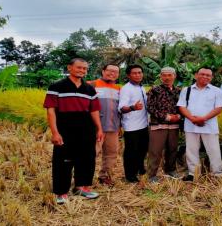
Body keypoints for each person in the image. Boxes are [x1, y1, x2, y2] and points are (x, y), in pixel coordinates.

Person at [43, 58, 104, 204]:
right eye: (79, 67)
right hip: (65, 129)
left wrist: (99, 129)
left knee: (86, 159)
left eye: (85, 68)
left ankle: (81, 187)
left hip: (86, 129)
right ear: (69, 68)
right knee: (63, 161)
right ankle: (61, 192)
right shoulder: (57, 86)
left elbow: (94, 110)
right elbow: (51, 112)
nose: (82, 70)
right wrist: (55, 133)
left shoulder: (89, 89)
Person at [177, 67, 222, 181]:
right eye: (202, 74)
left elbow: (219, 108)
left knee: (214, 150)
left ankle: (217, 174)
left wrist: (203, 119)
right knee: (191, 150)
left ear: (211, 77)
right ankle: (193, 174)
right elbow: (181, 106)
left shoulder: (216, 90)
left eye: (208, 75)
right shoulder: (187, 90)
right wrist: (192, 119)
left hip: (209, 126)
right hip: (191, 125)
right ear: (196, 75)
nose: (205, 77)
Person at [87, 64, 121, 186]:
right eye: (109, 71)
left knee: (111, 153)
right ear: (103, 71)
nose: (112, 73)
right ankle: (83, 179)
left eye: (115, 72)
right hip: (96, 127)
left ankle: (105, 176)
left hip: (113, 127)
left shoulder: (118, 89)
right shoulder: (91, 85)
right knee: (91, 153)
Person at [146, 67, 181, 183]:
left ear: (174, 76)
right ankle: (151, 175)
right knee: (155, 151)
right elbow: (150, 107)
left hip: (174, 126)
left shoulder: (178, 91)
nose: (167, 78)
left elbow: (183, 107)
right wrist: (167, 117)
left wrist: (179, 116)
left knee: (172, 149)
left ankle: (170, 170)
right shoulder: (154, 90)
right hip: (158, 125)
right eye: (164, 75)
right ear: (160, 77)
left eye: (169, 75)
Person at [118, 64, 149, 183]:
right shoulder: (126, 89)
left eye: (140, 72)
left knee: (142, 149)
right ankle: (130, 175)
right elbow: (121, 108)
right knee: (131, 152)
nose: (138, 75)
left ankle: (140, 168)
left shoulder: (141, 87)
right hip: (131, 127)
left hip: (143, 125)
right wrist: (133, 107)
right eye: (134, 73)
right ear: (128, 75)